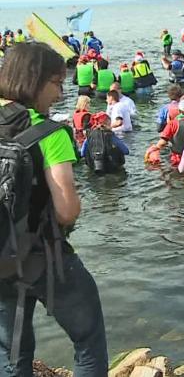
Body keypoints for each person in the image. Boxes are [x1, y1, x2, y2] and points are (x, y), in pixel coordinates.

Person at [0, 42, 108, 375]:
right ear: (35, 80)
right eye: (57, 83)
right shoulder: (50, 132)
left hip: (1, 259)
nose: (60, 93)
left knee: (12, 352)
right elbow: (66, 211)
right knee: (88, 340)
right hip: (44, 257)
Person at [152, 99, 184, 167]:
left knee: (176, 174)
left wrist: (154, 149)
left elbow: (162, 142)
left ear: (179, 111)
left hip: (177, 157)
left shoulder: (173, 124)